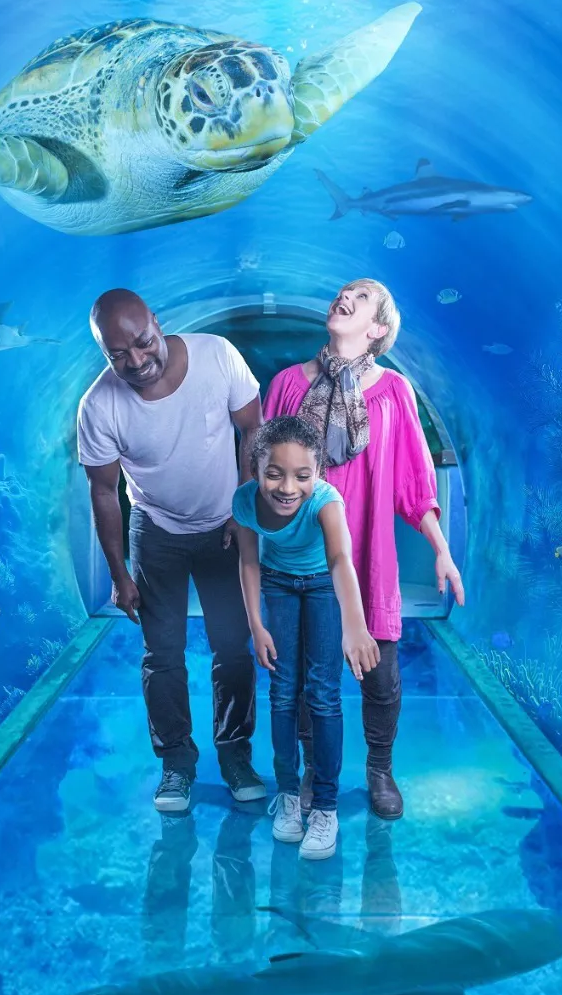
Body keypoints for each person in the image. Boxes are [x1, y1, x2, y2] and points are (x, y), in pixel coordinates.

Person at [264, 278, 465, 819]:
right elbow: (266, 475)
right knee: (308, 680)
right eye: (344, 290)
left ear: (377, 329)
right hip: (302, 558)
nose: (345, 296)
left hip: (368, 558)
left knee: (382, 676)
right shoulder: (286, 386)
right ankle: (315, 769)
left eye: (363, 296)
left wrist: (442, 550)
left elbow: (414, 484)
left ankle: (380, 769)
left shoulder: (394, 392)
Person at [77, 288, 266, 814]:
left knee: (233, 648)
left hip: (223, 525)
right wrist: (119, 574)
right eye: (118, 354)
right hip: (156, 530)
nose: (136, 361)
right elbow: (103, 491)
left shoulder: (217, 355)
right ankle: (176, 763)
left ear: (157, 322)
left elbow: (253, 426)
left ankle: (236, 757)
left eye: (143, 342)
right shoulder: (98, 405)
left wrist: (243, 507)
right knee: (162, 654)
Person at [232, 415, 378, 860]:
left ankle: (326, 808)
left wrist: (355, 625)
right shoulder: (245, 501)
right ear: (256, 470)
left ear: (318, 473)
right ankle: (289, 796)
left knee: (323, 694)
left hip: (322, 587)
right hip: (278, 584)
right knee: (282, 692)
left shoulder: (326, 502)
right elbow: (249, 562)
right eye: (274, 474)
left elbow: (340, 561)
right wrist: (256, 625)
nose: (287, 487)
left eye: (302, 475)